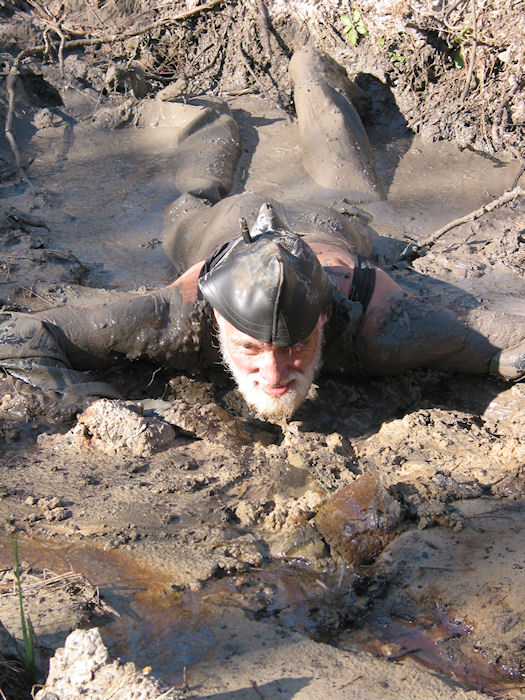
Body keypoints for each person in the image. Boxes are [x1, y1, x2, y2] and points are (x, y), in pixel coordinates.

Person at [1, 48, 523, 421]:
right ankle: (208, 116)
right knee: (195, 195)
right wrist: (84, 405)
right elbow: (26, 335)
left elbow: (507, 344)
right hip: (223, 223)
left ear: (324, 318)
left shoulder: (380, 326)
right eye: (249, 347)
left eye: (295, 346)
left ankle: (309, 65)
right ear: (216, 319)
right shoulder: (177, 318)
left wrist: (500, 360)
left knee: (355, 187)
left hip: (330, 223)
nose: (273, 374)